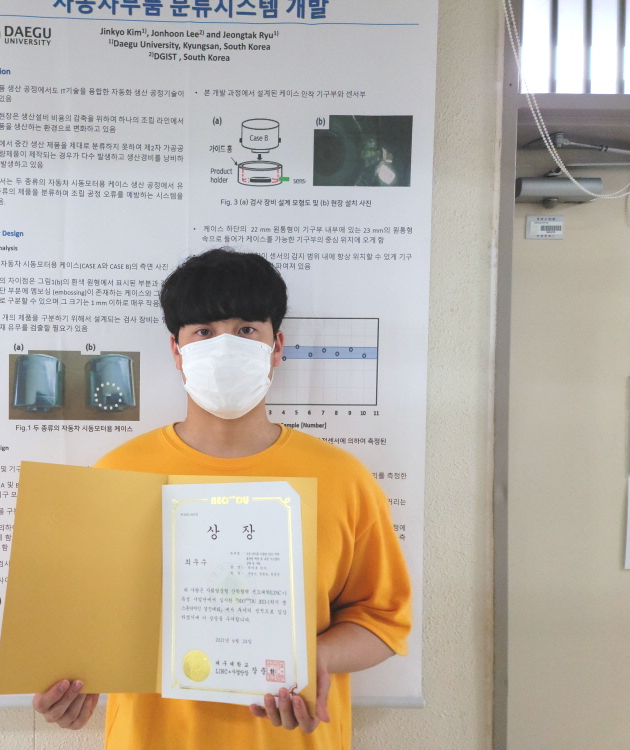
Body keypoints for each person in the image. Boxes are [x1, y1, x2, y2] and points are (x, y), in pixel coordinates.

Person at [32, 248, 412, 749]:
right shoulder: (118, 473)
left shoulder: (342, 478)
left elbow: (382, 620)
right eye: (204, 332)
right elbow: (85, 618)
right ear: (177, 351)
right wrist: (71, 682)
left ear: (276, 346)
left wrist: (314, 659)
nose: (225, 346)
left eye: (246, 329)